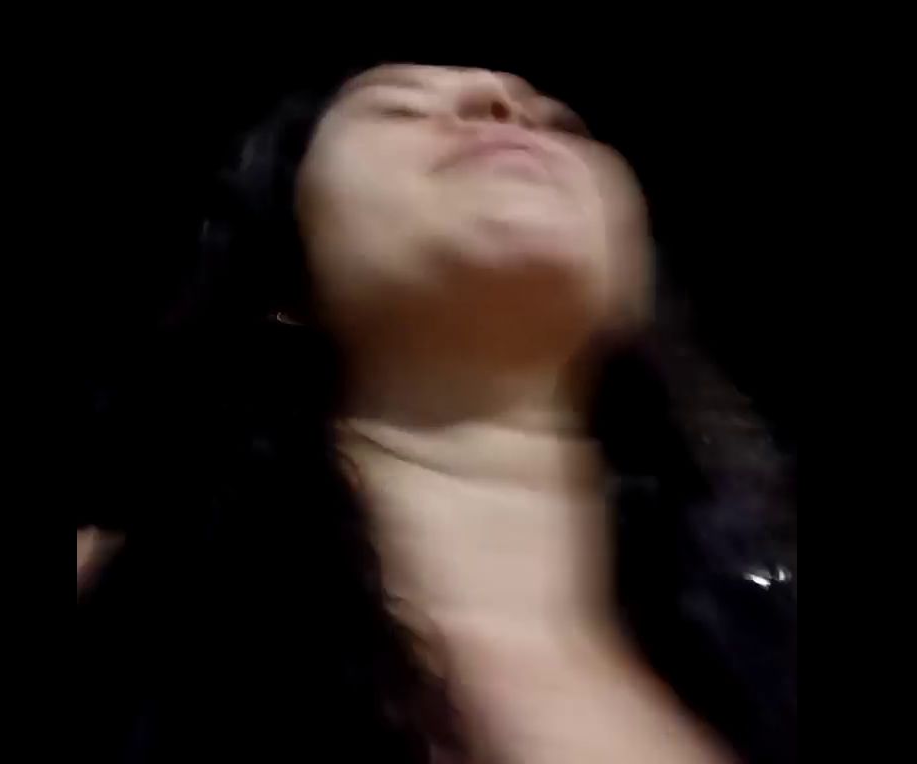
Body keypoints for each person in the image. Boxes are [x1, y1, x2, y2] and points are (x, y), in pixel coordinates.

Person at [78, 64, 796, 763]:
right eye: (398, 106)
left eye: (559, 125)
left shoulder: (769, 656)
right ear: (287, 278)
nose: (499, 100)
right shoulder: (114, 604)